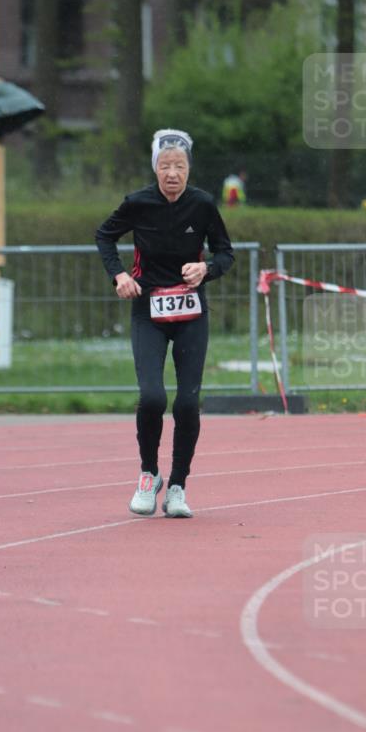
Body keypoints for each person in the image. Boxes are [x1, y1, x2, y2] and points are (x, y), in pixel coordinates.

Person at [96, 128, 234, 518]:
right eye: (165, 165)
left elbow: (226, 252)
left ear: (189, 169)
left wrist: (206, 268)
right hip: (148, 311)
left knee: (188, 403)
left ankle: (177, 486)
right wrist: (119, 275)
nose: (172, 173)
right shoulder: (137, 203)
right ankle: (148, 474)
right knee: (153, 397)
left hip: (191, 313)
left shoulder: (203, 205)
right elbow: (104, 236)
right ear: (155, 168)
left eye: (180, 166)